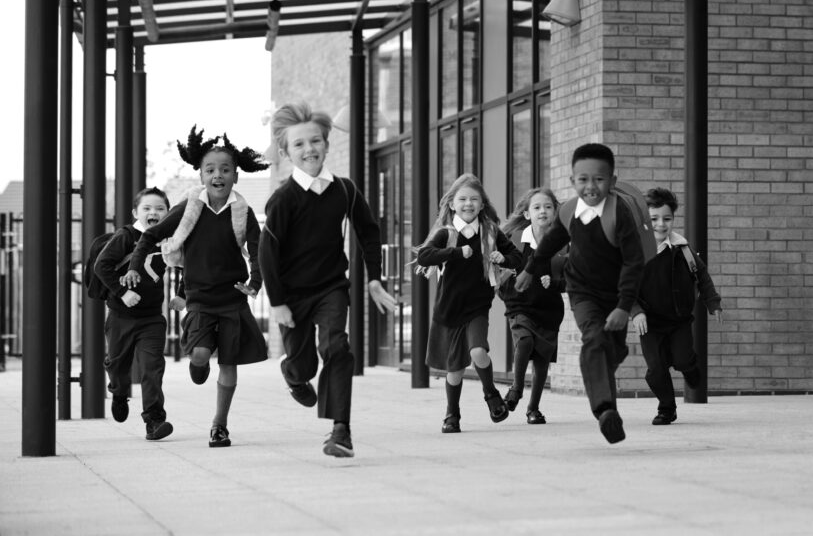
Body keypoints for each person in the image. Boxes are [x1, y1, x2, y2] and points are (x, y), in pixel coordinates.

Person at [259, 102, 396, 458]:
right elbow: (267, 253)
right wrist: (277, 303)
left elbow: (368, 232)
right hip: (291, 294)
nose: (309, 149)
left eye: (315, 141)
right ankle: (293, 372)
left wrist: (374, 279)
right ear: (287, 152)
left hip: (332, 287)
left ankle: (340, 431)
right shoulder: (282, 200)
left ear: (326, 144)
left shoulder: (344, 190)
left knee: (337, 348)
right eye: (300, 144)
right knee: (304, 363)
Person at [124, 127, 269, 449]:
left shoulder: (242, 212)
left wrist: (254, 282)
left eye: (225, 169)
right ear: (201, 175)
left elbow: (258, 251)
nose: (218, 175)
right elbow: (149, 236)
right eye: (210, 169)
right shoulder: (189, 207)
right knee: (202, 353)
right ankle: (198, 363)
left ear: (235, 176)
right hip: (199, 298)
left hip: (232, 297)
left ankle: (219, 426)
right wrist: (134, 266)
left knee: (229, 365)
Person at [516, 143, 645, 444]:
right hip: (582, 290)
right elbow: (549, 243)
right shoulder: (569, 210)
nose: (590, 186)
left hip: (615, 295)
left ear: (612, 181)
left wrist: (625, 306)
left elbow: (634, 263)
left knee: (611, 348)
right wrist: (529, 269)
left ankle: (614, 353)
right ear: (573, 181)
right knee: (594, 337)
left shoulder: (620, 214)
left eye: (598, 179)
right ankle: (605, 411)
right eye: (583, 179)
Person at [415, 173, 523, 433]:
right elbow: (424, 256)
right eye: (462, 199)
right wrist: (454, 253)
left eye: (474, 199)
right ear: (452, 203)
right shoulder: (446, 233)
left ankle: (491, 395)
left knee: (477, 351)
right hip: (448, 309)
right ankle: (452, 415)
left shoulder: (490, 232)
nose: (468, 203)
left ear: (482, 205)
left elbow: (517, 257)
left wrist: (502, 258)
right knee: (455, 371)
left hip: (477, 306)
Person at [630, 187, 722, 425]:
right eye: (654, 219)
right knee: (655, 371)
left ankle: (690, 367)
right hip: (649, 323)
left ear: (673, 219)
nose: (661, 224)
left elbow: (702, 276)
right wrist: (636, 311)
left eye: (667, 218)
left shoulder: (683, 249)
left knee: (681, 360)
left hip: (679, 320)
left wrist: (713, 303)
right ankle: (667, 408)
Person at [95, 187, 178, 441]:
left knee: (152, 368)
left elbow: (188, 264)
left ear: (168, 213)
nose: (154, 212)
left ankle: (154, 420)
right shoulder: (126, 236)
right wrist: (122, 292)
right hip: (121, 316)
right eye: (147, 208)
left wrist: (183, 294)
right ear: (136, 212)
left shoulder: (169, 238)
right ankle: (119, 393)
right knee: (118, 365)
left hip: (152, 318)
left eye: (160, 208)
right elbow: (101, 265)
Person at [497, 187, 567, 424]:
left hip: (549, 309)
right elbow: (498, 272)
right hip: (519, 304)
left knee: (541, 361)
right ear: (527, 214)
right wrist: (504, 288)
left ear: (555, 212)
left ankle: (533, 409)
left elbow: (574, 280)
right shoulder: (514, 241)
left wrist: (556, 283)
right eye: (537, 207)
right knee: (525, 340)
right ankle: (516, 389)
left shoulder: (563, 244)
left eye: (548, 207)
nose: (543, 211)